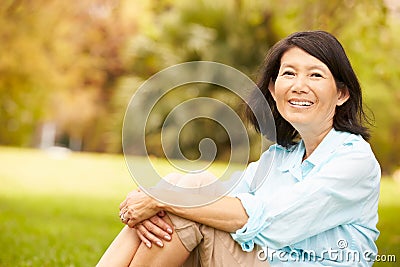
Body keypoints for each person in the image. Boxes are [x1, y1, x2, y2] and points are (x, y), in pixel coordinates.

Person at [97, 30, 380, 266]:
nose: (299, 85)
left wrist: (162, 200)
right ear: (272, 89)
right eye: (289, 73)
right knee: (191, 188)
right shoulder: (282, 157)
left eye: (315, 75)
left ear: (342, 93)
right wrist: (155, 196)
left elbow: (271, 222)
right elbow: (215, 193)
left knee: (185, 204)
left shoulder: (353, 160)